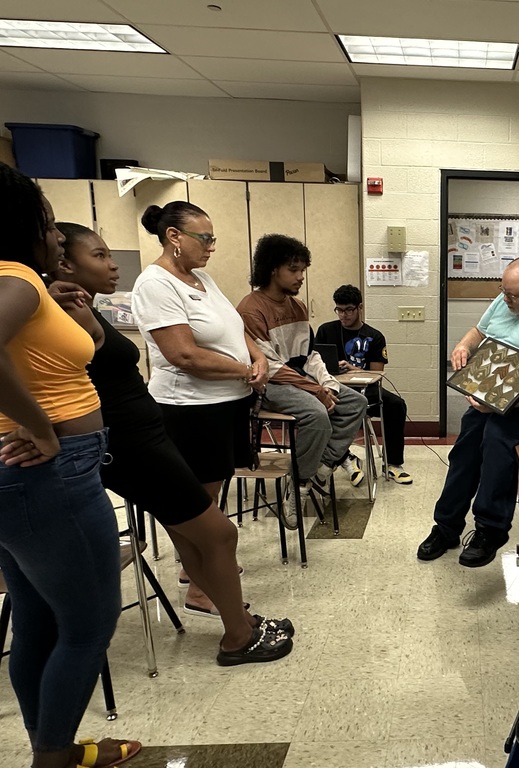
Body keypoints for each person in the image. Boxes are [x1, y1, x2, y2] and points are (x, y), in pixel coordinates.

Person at [53, 221, 293, 666]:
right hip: (132, 442)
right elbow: (180, 355)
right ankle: (238, 636)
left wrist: (255, 358)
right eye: (101, 256)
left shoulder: (78, 304)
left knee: (196, 532)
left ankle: (235, 616)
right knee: (218, 533)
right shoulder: (61, 305)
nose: (113, 264)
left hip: (145, 434)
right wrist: (33, 427)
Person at [0, 163, 140, 768]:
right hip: (49, 474)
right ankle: (53, 761)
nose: (59, 238)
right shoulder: (18, 280)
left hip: (23, 480)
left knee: (36, 620)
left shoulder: (26, 285)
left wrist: (55, 308)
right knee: (88, 625)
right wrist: (38, 427)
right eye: (51, 225)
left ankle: (51, 748)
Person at [131, 202, 292, 662]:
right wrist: (245, 369)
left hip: (226, 405)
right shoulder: (155, 283)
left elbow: (236, 327)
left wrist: (257, 358)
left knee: (211, 496)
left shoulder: (203, 279)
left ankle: (199, 576)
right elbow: (183, 354)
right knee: (197, 508)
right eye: (204, 238)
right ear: (173, 237)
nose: (211, 247)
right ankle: (201, 585)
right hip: (188, 410)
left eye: (213, 238)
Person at [417, 255, 519, 567]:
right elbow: (477, 332)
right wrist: (463, 347)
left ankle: (490, 530)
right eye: (503, 291)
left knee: (497, 439)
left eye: (512, 295)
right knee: (465, 449)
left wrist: (500, 404)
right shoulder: (506, 300)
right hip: (495, 388)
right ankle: (446, 527)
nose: (505, 299)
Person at [236, 234, 368, 526]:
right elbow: (270, 366)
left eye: (302, 270)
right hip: (269, 385)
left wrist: (329, 386)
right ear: (273, 269)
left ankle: (322, 466)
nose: (300, 277)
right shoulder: (250, 309)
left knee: (356, 401)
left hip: (299, 379)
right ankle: (299, 486)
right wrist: (316, 391)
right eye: (293, 270)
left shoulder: (296, 307)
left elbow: (310, 355)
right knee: (317, 415)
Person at [315, 284, 412, 484]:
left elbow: (377, 373)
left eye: (349, 310)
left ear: (360, 307)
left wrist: (353, 368)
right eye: (339, 310)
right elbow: (315, 363)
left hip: (366, 389)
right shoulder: (325, 330)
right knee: (321, 407)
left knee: (396, 405)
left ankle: (392, 462)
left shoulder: (374, 336)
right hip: (334, 387)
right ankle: (344, 457)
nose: (344, 315)